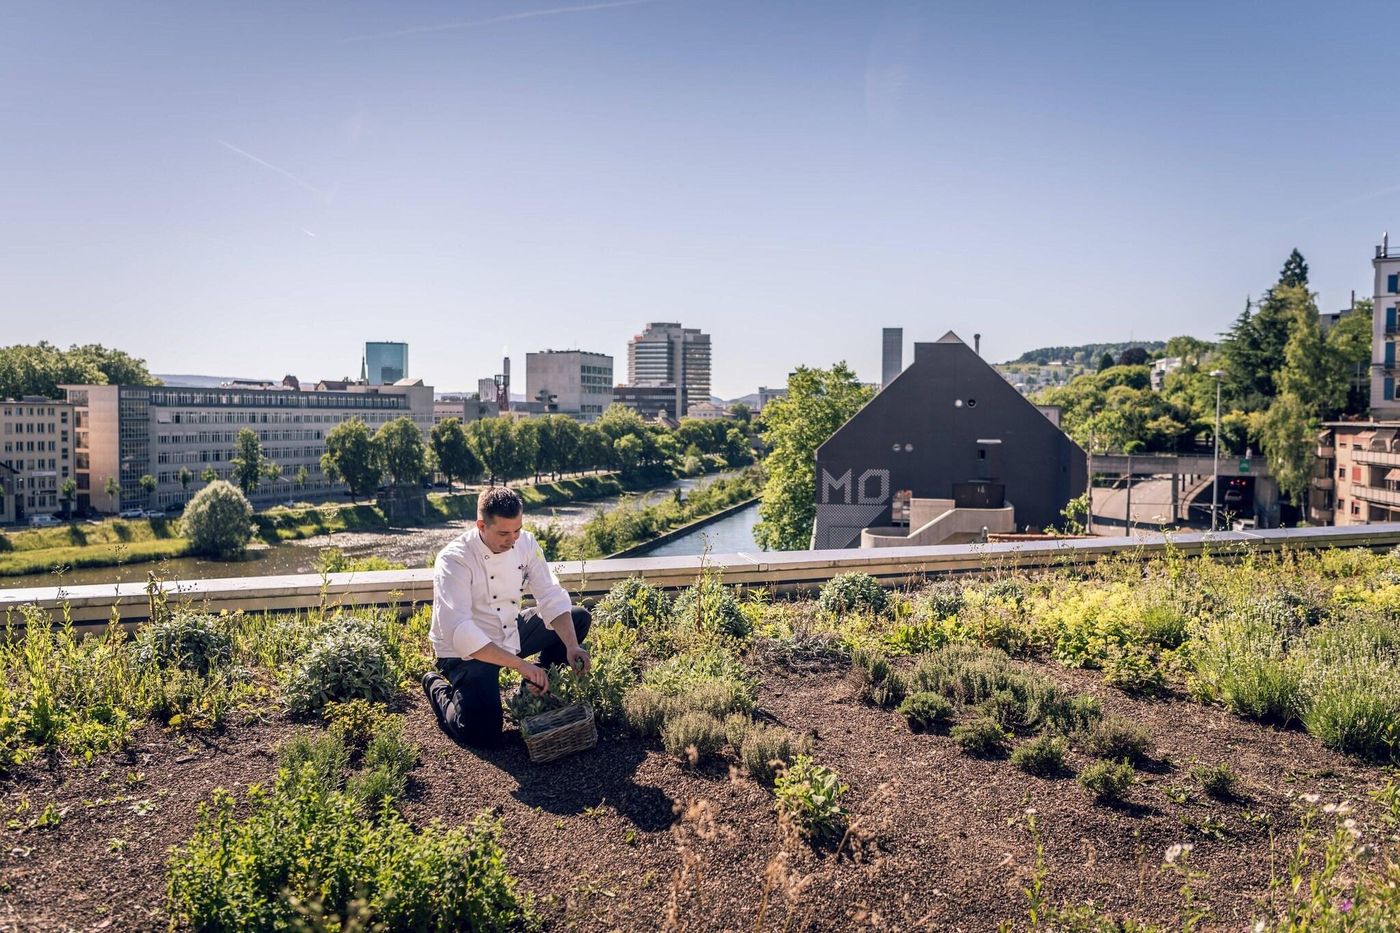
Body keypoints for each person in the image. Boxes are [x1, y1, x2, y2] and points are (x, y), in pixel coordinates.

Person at [422, 486, 591, 747]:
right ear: (481, 525)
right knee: (483, 735)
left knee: (576, 618)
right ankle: (436, 687)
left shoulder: (525, 543)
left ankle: (534, 688)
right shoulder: (454, 560)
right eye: (503, 533)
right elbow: (460, 631)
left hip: (507, 631)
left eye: (517, 530)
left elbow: (550, 595)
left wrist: (571, 646)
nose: (512, 539)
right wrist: (521, 665)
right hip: (465, 651)